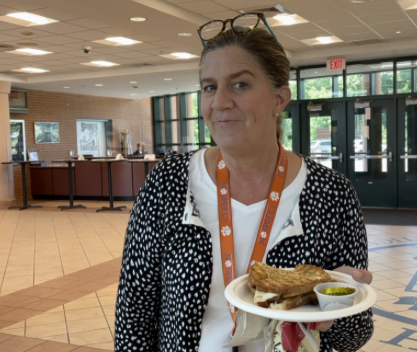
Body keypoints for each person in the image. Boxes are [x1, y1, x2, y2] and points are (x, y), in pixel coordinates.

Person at [115, 14, 373, 352]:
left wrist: (335, 303)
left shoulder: (332, 194)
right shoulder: (169, 182)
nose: (219, 102)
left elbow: (354, 337)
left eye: (240, 84)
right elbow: (134, 309)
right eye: (210, 87)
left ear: (279, 99)